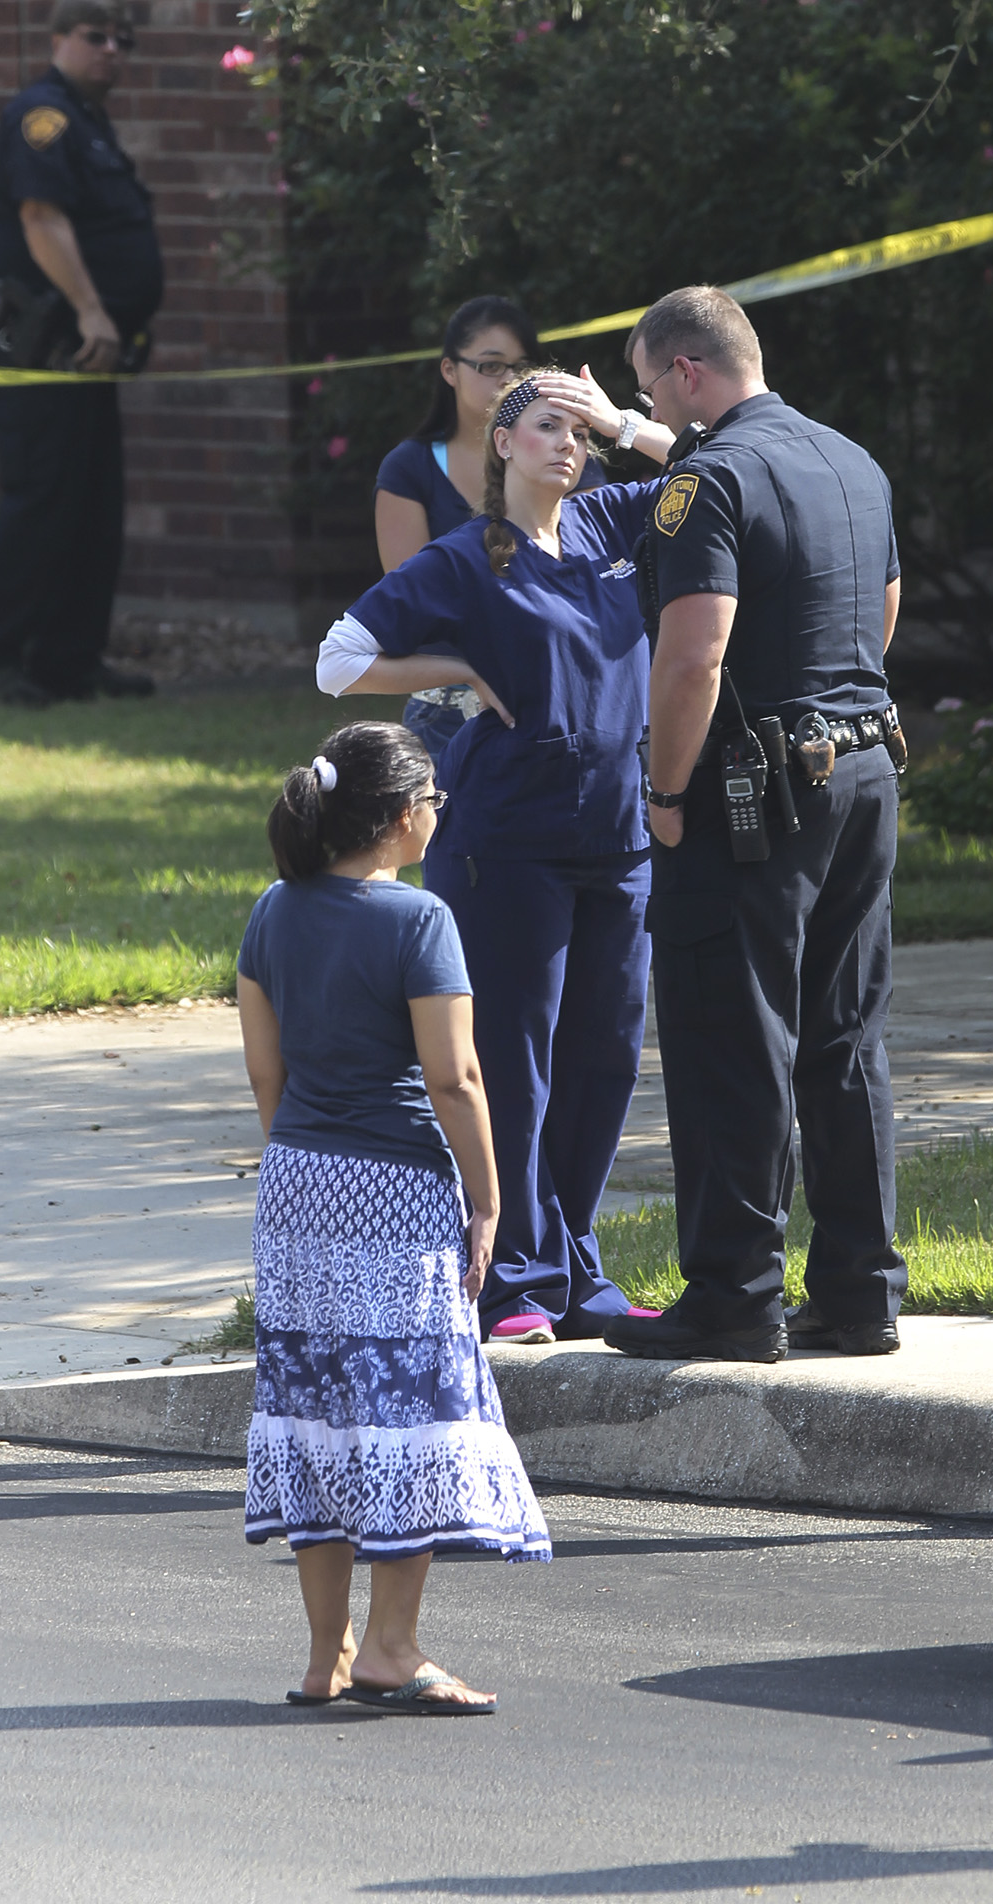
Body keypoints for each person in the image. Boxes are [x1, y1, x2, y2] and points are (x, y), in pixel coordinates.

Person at [318, 372, 670, 1342]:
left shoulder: (607, 529)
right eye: (547, 426)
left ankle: (574, 1265)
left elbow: (723, 478)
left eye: (578, 430)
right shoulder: (469, 556)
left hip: (618, 840)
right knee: (516, 1062)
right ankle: (509, 1273)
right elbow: (337, 660)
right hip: (504, 844)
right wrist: (457, 667)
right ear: (502, 444)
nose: (568, 443)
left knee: (601, 1059)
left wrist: (624, 422)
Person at [601, 286, 908, 1366]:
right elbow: (879, 614)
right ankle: (861, 1290)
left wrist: (665, 790)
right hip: (863, 764)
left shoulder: (707, 480)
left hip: (750, 793)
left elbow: (692, 655)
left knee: (732, 1033)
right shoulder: (850, 461)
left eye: (649, 387)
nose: (653, 409)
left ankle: (733, 1295)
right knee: (843, 1033)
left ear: (686, 372)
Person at [237, 719, 550, 1714]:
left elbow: (264, 1069)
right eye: (433, 800)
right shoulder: (418, 922)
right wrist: (490, 1195)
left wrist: (304, 1153)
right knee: (404, 1413)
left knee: (322, 1409)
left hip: (294, 1185)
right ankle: (393, 1645)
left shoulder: (270, 912)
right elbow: (453, 1077)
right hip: (393, 1193)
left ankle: (324, 1654)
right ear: (400, 814)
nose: (437, 814)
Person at [0, 0, 161, 706]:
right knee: (40, 497)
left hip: (86, 350)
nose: (112, 50)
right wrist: (92, 311)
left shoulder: (89, 123)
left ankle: (68, 660)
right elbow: (41, 220)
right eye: (96, 36)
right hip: (46, 343)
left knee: (92, 504)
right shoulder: (41, 118)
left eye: (121, 39)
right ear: (59, 38)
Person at [374, 297, 667, 755]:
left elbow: (719, 467)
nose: (507, 378)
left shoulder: (594, 499)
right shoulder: (423, 491)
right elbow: (403, 613)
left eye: (581, 434)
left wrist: (623, 425)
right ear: (449, 370)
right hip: (452, 713)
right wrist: (470, 672)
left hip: (574, 710)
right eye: (490, 365)